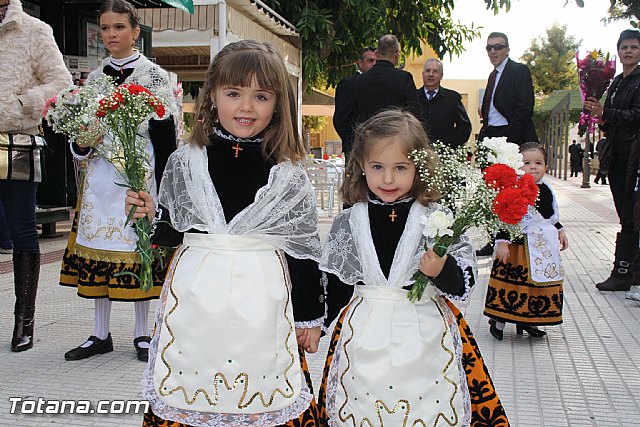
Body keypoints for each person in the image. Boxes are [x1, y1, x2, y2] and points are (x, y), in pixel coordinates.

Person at [125, 40, 325, 427]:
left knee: (262, 386)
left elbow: (303, 251)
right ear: (213, 95)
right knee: (192, 381)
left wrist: (309, 319)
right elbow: (174, 228)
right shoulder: (185, 160)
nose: (246, 107)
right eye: (234, 93)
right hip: (196, 299)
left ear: (278, 104)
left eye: (261, 96)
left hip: (263, 303)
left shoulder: (288, 173)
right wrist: (150, 214)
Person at [317, 109, 510, 426]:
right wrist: (315, 325)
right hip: (364, 336)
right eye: (377, 167)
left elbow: (462, 284)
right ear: (360, 165)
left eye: (400, 167)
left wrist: (441, 269)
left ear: (419, 168)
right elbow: (337, 282)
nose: (388, 179)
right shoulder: (348, 221)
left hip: (426, 335)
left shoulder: (435, 218)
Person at [59, 0, 178, 362]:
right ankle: (100, 333)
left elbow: (166, 138)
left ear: (135, 32)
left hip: (139, 176)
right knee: (99, 248)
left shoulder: (154, 76)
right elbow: (81, 136)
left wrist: (162, 188)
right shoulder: (93, 80)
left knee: (138, 248)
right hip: (100, 180)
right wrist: (80, 144)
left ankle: (143, 334)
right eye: (106, 28)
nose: (111, 34)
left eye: (119, 27)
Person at [0, 0, 72, 351]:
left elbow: (61, 82)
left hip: (17, 141)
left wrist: (21, 104)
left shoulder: (34, 30)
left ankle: (24, 321)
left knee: (22, 231)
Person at [484, 142, 568, 340]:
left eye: (538, 163)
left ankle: (529, 319)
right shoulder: (512, 188)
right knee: (512, 285)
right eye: (527, 163)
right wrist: (502, 242)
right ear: (518, 166)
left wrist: (560, 231)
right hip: (517, 248)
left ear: (546, 166)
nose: (533, 167)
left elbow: (551, 216)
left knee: (535, 287)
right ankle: (499, 320)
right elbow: (503, 216)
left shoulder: (546, 189)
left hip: (541, 248)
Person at [584, 29, 640, 292]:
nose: (628, 51)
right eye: (624, 47)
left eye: (634, 47)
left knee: (631, 211)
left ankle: (624, 271)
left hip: (634, 154)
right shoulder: (616, 82)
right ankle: (631, 269)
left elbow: (635, 117)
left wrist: (607, 112)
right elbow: (613, 120)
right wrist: (601, 116)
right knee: (624, 210)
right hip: (617, 153)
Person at [476, 31, 538, 256]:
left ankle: (517, 239)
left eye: (498, 47)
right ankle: (494, 238)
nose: (493, 51)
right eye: (489, 48)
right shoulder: (493, 75)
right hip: (491, 138)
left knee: (514, 191)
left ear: (507, 49)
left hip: (510, 138)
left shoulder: (518, 71)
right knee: (492, 192)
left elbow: (524, 108)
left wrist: (509, 140)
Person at [350, 35, 421, 128]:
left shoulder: (359, 80)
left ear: (376, 53)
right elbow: (415, 113)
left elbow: (352, 116)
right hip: (394, 135)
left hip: (368, 136)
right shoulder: (404, 78)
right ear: (396, 54)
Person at [417, 58, 471, 149]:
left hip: (444, 154)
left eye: (435, 71)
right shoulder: (413, 97)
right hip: (417, 152)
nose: (430, 74)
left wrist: (450, 146)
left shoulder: (453, 98)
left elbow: (465, 127)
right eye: (427, 71)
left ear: (441, 75)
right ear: (423, 74)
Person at [333, 46, 376, 158]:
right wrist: (353, 144)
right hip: (356, 150)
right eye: (370, 61)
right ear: (360, 63)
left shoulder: (380, 85)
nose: (374, 64)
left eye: (377, 61)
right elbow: (340, 120)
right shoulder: (348, 84)